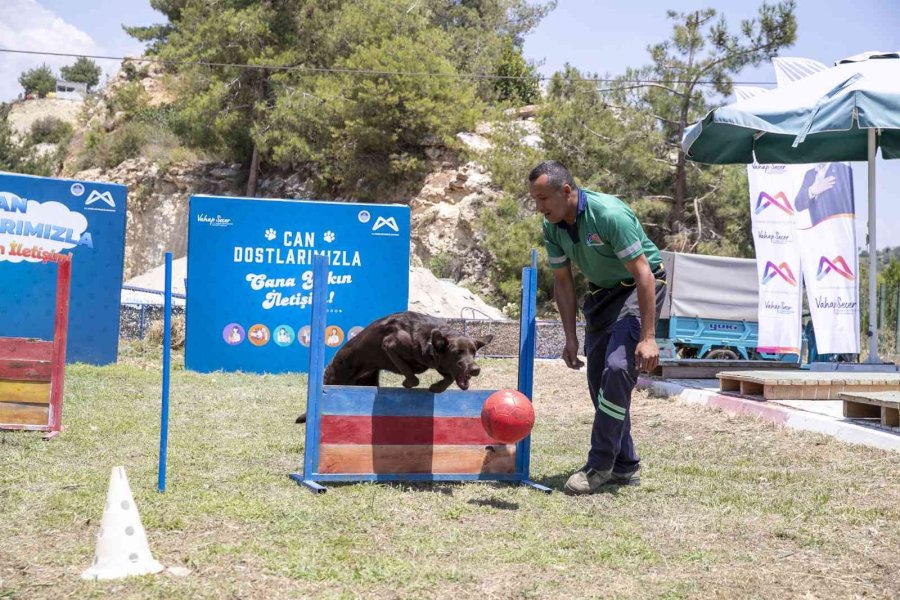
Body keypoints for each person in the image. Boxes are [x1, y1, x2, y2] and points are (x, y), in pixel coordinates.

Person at [529, 160, 667, 495]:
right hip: (602, 297)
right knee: (599, 384)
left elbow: (645, 275)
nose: (540, 207)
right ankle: (625, 465)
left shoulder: (608, 215)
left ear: (566, 191)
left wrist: (648, 338)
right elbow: (563, 283)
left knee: (618, 369)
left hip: (638, 287)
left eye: (544, 199)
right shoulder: (553, 227)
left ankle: (599, 464)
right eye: (535, 200)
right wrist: (571, 338)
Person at [793, 162, 854, 227]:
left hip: (838, 230)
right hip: (817, 231)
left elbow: (850, 203)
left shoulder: (844, 170)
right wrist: (811, 190)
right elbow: (798, 205)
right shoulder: (809, 174)